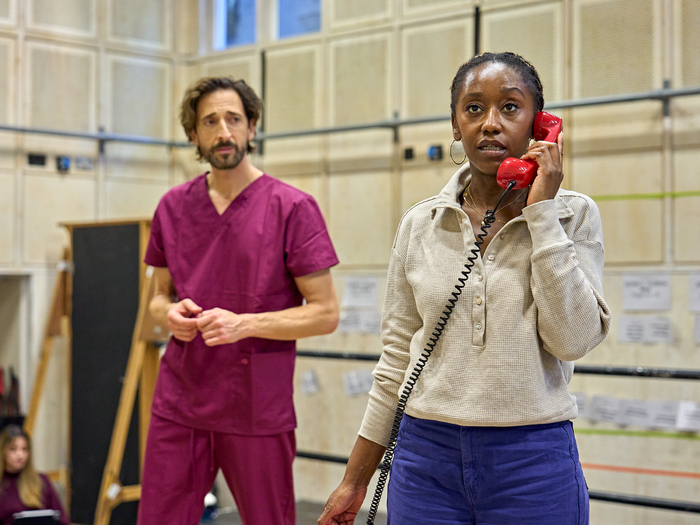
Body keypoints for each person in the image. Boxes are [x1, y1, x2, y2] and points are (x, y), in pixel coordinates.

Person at [318, 52, 611, 525]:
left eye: (510, 108)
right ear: (456, 125)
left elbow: (572, 340)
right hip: (424, 459)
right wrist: (355, 480)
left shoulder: (573, 215)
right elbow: (396, 361)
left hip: (532, 460)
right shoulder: (420, 223)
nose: (490, 123)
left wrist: (541, 216)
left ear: (540, 124)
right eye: (473, 108)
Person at [138, 76, 340, 525]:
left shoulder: (292, 208)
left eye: (234, 119)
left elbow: (326, 314)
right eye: (210, 121)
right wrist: (168, 313)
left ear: (252, 127)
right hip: (181, 401)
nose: (224, 132)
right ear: (193, 134)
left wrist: (244, 324)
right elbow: (157, 300)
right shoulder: (172, 207)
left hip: (256, 405)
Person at [0, 425, 69, 525]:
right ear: (3, 451)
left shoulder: (41, 480)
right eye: (13, 449)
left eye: (24, 449)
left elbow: (62, 519)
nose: (20, 455)